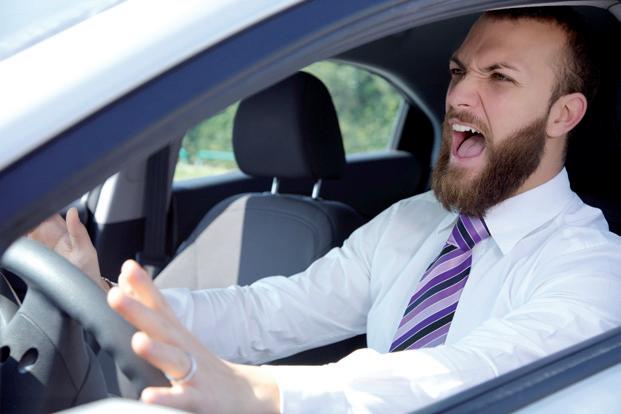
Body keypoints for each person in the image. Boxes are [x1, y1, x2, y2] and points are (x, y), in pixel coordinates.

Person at [29, 7, 621, 413]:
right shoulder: (412, 221)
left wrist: (263, 394)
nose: (460, 95)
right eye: (458, 71)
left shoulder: (594, 268)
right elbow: (270, 313)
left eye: (500, 77)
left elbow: (473, 371)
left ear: (562, 114)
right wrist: (108, 297)